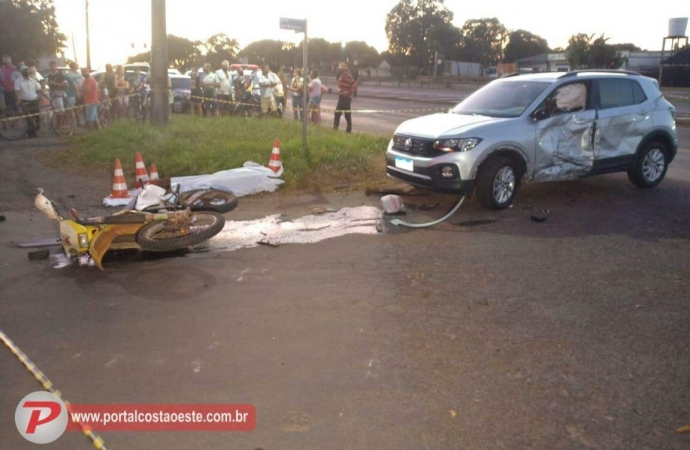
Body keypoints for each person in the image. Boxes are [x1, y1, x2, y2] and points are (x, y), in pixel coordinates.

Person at [14, 66, 41, 137]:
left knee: (36, 117)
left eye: (27, 71)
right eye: (25, 72)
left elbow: (38, 89)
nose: (27, 73)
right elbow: (17, 91)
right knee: (29, 119)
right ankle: (30, 134)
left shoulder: (33, 80)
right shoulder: (18, 81)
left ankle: (35, 132)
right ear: (22, 73)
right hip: (25, 101)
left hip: (34, 100)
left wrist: (40, 96)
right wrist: (18, 99)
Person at [333, 62, 357, 133]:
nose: (339, 70)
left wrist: (347, 92)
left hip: (346, 98)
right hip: (341, 97)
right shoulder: (341, 76)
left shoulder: (349, 77)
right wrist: (339, 89)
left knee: (346, 114)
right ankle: (336, 127)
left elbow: (354, 88)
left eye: (340, 69)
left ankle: (348, 129)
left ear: (344, 70)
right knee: (337, 113)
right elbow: (339, 85)